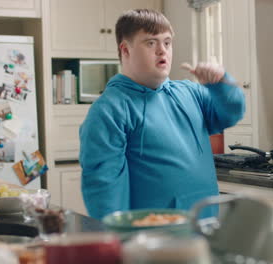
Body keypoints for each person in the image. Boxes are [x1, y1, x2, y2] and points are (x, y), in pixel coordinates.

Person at [79, 9, 245, 219]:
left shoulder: (190, 92)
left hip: (205, 229)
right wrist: (118, 240)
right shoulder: (108, 110)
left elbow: (231, 113)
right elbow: (104, 190)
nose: (162, 51)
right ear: (125, 50)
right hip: (153, 241)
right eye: (151, 43)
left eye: (167, 42)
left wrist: (221, 83)